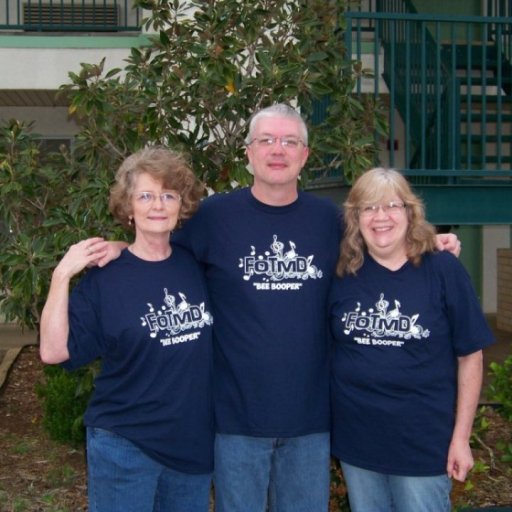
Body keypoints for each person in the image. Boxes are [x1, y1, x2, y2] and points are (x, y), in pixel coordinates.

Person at [97, 104, 462, 512]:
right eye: (266, 140)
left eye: (290, 141)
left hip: (311, 421)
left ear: (305, 156)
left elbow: (382, 240)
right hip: (235, 421)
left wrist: (430, 244)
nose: (278, 149)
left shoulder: (329, 221)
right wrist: (120, 249)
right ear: (249, 153)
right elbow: (157, 248)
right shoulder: (213, 218)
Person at [39, 147, 214, 512]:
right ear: (128, 206)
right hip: (125, 444)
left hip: (191, 446)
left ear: (181, 206)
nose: (157, 205)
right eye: (145, 195)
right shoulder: (105, 279)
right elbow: (53, 351)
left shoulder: (197, 265)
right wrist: (61, 276)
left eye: (168, 195)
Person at [329, 167, 495, 512]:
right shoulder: (343, 272)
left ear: (410, 212)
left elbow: (471, 357)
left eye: (392, 205)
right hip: (358, 444)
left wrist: (461, 439)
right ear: (355, 218)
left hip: (422, 446)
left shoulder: (443, 270)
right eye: (369, 208)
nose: (381, 217)